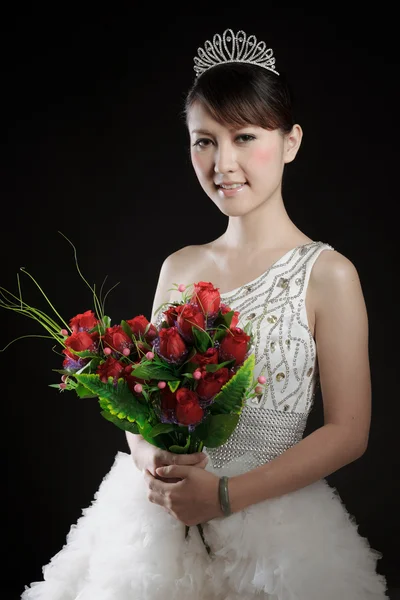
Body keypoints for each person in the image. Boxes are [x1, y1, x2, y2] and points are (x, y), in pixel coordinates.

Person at [21, 28, 388, 600]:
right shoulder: (181, 267)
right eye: (204, 141)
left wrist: (222, 496)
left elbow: (348, 432)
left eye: (244, 137)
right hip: (158, 515)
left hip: (273, 523)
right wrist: (152, 462)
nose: (224, 163)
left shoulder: (328, 274)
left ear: (290, 142)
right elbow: (141, 403)